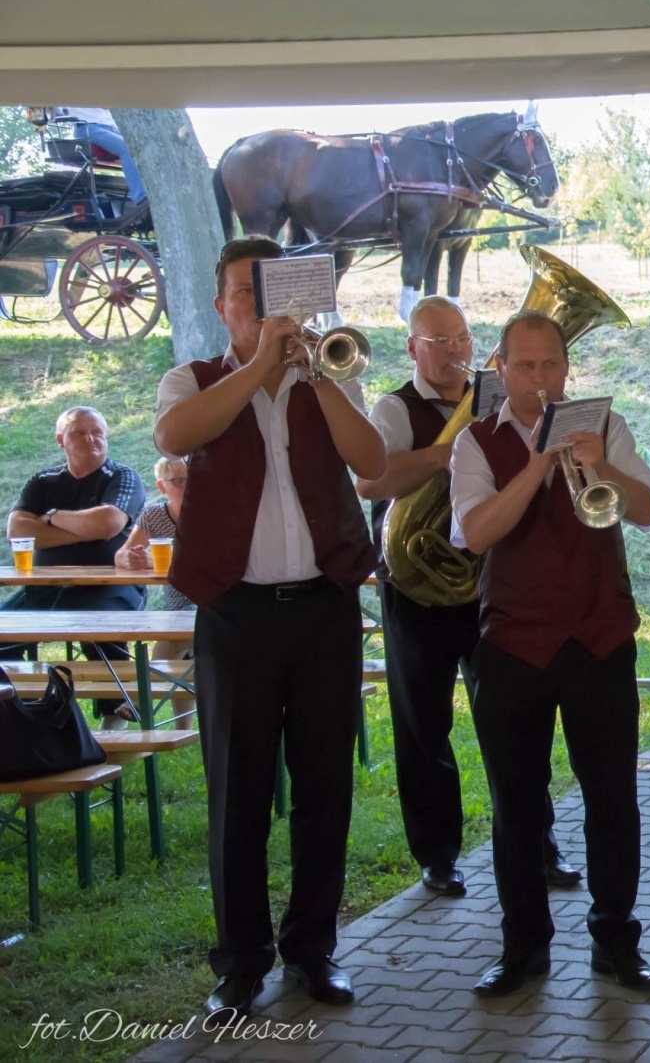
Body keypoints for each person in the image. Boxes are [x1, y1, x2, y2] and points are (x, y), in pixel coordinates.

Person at [154, 235, 387, 1019]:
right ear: (222, 307)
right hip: (236, 613)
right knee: (238, 793)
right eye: (245, 295)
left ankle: (313, 948)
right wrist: (259, 370)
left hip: (323, 607)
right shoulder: (194, 379)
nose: (260, 308)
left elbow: (373, 461)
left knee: (324, 784)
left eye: (272, 292)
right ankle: (240, 962)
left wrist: (313, 374)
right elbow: (174, 437)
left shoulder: (329, 375)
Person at [451, 309, 650, 997]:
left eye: (551, 365)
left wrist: (600, 465)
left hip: (600, 637)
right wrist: (540, 460)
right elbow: (477, 532)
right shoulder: (475, 443)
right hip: (514, 643)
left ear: (567, 370)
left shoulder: (603, 424)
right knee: (516, 804)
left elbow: (644, 510)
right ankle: (524, 948)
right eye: (525, 365)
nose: (539, 377)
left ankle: (616, 940)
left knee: (614, 798)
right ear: (501, 369)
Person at [356, 296, 580, 900]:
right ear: (412, 348)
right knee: (421, 724)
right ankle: (437, 854)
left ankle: (539, 843)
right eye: (438, 341)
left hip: (488, 586)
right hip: (418, 589)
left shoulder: (498, 397)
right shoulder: (394, 407)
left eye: (460, 339)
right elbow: (372, 480)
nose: (454, 351)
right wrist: (452, 450)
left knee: (513, 727)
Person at [2, 406, 147, 726]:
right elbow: (17, 533)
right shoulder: (43, 480)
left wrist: (52, 517)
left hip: (109, 587)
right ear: (60, 440)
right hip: (43, 590)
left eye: (97, 432)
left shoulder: (122, 476)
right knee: (4, 635)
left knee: (100, 630)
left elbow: (108, 524)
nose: (90, 439)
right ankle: (25, 715)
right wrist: (83, 529)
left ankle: (117, 718)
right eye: (79, 433)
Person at [114, 456, 194, 721]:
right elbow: (122, 554)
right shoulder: (155, 514)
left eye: (194, 478)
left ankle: (139, 698)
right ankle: (183, 731)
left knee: (172, 637)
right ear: (162, 486)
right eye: (179, 481)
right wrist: (128, 558)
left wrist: (173, 558)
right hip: (177, 604)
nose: (189, 486)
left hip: (214, 601)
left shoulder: (217, 512)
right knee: (178, 649)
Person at [58, 107, 147, 217]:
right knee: (126, 148)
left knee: (144, 147)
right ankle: (141, 198)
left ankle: (152, 191)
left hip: (111, 127)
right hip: (88, 127)